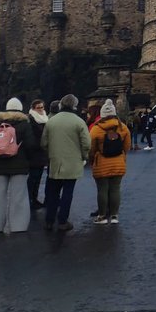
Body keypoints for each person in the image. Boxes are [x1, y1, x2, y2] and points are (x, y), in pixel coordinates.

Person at [41, 94, 91, 232]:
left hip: (55, 162)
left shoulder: (51, 121)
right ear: (74, 105)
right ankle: (62, 221)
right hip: (73, 162)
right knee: (68, 192)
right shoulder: (79, 122)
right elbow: (86, 143)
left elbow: (44, 143)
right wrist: (83, 156)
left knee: (52, 193)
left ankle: (49, 221)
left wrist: (50, 155)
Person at [0, 98, 33, 234]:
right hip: (19, 164)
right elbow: (31, 144)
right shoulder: (24, 125)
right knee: (18, 196)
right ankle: (18, 226)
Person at [89, 99, 131, 224]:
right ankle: (114, 216)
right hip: (118, 162)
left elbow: (91, 148)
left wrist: (92, 158)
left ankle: (102, 216)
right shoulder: (123, 127)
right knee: (115, 189)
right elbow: (127, 146)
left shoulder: (96, 129)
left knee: (102, 189)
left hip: (101, 162)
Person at [26, 99, 49, 210]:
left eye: (42, 107)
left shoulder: (45, 118)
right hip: (34, 153)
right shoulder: (30, 119)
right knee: (33, 178)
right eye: (38, 107)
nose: (40, 109)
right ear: (33, 108)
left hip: (41, 153)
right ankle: (30, 200)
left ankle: (34, 199)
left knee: (38, 177)